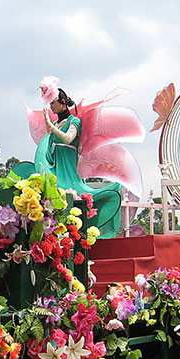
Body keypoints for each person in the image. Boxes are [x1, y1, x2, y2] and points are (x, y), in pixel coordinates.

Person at [33, 77, 124, 238]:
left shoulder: (74, 121)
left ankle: (80, 231)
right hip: (57, 165)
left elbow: (68, 139)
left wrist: (50, 126)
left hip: (69, 165)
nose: (51, 107)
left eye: (53, 103)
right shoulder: (57, 125)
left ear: (62, 102)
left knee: (73, 194)